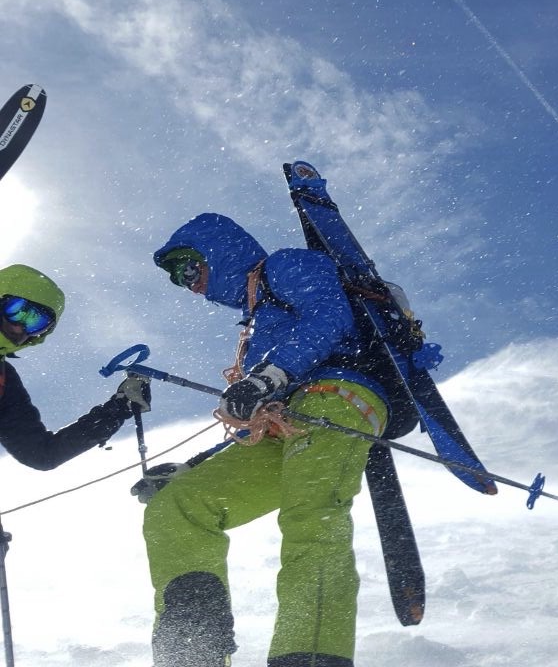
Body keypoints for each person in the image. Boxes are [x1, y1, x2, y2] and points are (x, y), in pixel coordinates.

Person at [144, 213, 393, 667]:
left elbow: (330, 315)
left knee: (311, 518)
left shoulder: (286, 266)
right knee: (179, 507)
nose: (190, 285)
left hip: (338, 397)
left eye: (191, 268)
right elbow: (261, 404)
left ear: (218, 252)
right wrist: (194, 466)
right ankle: (194, 651)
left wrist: (269, 377)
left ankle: (311, 657)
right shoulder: (255, 322)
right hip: (285, 422)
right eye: (180, 280)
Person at [0, 263, 150, 469]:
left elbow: (42, 453)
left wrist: (117, 409)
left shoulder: (4, 381)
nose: (19, 326)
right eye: (17, 310)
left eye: (36, 323)